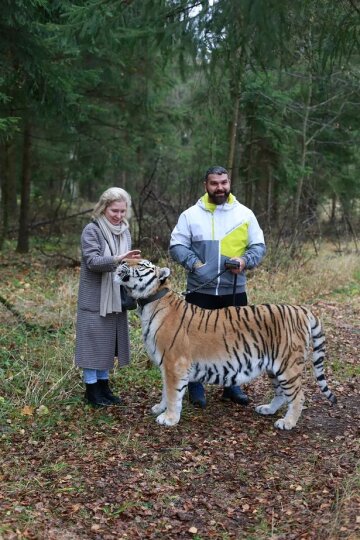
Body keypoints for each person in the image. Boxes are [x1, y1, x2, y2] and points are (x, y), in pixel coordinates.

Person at [169, 166, 266, 408]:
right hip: (199, 289)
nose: (220, 188)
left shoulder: (245, 214)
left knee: (234, 338)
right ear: (206, 185)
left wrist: (245, 261)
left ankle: (231, 385)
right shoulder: (190, 215)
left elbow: (258, 246)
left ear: (229, 182)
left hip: (234, 288)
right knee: (193, 339)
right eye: (214, 183)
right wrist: (194, 263)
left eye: (223, 182)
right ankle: (195, 384)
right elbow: (176, 245)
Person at [75, 187, 141, 407]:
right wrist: (119, 258)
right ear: (103, 208)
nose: (119, 215)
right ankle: (91, 390)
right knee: (92, 344)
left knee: (107, 344)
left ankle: (104, 386)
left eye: (123, 211)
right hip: (95, 298)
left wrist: (132, 266)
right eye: (114, 210)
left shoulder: (125, 231)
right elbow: (93, 262)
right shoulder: (91, 230)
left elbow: (123, 266)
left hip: (115, 297)